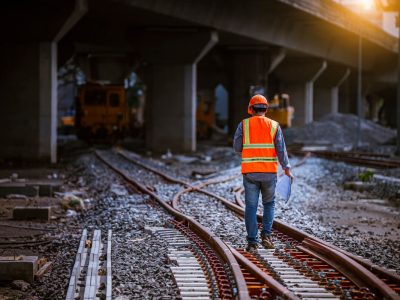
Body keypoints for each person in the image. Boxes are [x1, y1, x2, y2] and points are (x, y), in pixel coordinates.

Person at [233, 94, 293, 252]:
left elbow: (237, 147)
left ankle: (252, 242)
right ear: (266, 109)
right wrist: (286, 168)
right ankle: (266, 236)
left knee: (251, 207)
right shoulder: (274, 126)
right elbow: (281, 150)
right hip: (269, 174)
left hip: (251, 173)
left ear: (250, 109)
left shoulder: (244, 125)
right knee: (269, 204)